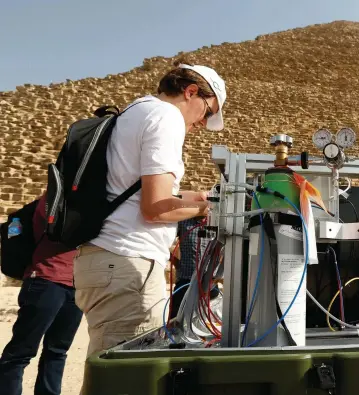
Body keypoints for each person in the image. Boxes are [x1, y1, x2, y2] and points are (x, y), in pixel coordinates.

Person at [73, 60, 227, 357]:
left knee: (112, 374)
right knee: (126, 380)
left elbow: (136, 190)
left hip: (108, 261)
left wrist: (190, 196)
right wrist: (204, 209)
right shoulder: (166, 116)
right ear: (191, 92)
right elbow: (155, 208)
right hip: (127, 264)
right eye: (207, 112)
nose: (203, 124)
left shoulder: (137, 110)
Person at [0, 193, 83, 395]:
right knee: (21, 352)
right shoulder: (54, 201)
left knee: (57, 352)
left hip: (76, 285)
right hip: (45, 281)